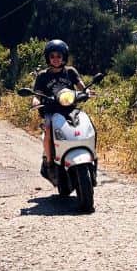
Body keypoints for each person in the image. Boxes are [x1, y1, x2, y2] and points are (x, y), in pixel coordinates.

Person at [32, 39, 87, 179]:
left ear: (64, 57)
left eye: (59, 56)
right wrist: (35, 101)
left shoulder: (70, 72)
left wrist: (87, 92)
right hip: (51, 110)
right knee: (49, 130)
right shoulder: (43, 76)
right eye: (52, 56)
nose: (56, 59)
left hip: (70, 109)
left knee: (86, 124)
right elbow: (37, 93)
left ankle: (89, 154)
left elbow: (81, 86)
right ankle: (50, 162)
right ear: (47, 58)